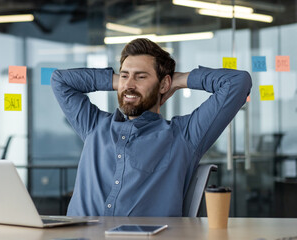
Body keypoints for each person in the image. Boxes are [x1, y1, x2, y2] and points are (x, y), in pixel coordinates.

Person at [51, 38, 252, 217]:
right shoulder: (94, 125)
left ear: (164, 84)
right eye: (125, 75)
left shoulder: (183, 135)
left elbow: (237, 83)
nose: (130, 84)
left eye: (141, 77)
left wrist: (179, 80)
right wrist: (121, 82)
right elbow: (60, 80)